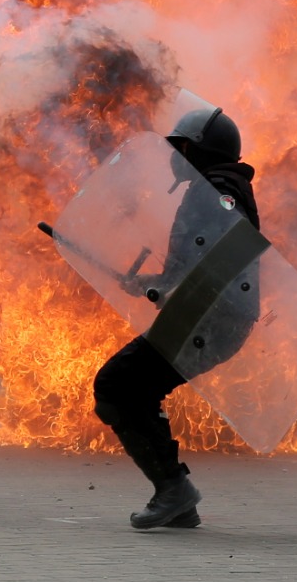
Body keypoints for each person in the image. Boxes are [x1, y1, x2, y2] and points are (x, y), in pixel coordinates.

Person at [90, 106, 261, 531]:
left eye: (180, 147)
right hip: (200, 315)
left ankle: (174, 491)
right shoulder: (212, 188)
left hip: (211, 320)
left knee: (117, 385)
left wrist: (172, 287)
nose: (173, 156)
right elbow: (195, 261)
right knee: (129, 388)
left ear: (199, 150)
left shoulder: (223, 190)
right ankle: (175, 495)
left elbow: (225, 252)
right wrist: (156, 282)